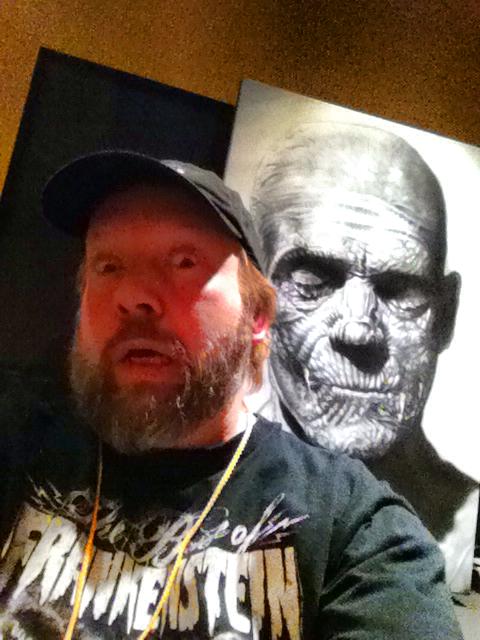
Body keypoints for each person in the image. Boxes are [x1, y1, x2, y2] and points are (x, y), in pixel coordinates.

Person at [0, 150, 463, 639]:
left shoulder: (352, 529)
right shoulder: (17, 437)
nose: (133, 295)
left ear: (257, 318)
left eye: (184, 262)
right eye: (108, 265)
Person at [249, 122, 478, 587]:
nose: (357, 328)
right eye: (312, 280)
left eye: (399, 290)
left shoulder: (466, 524)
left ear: (445, 315)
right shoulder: (192, 491)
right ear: (254, 299)